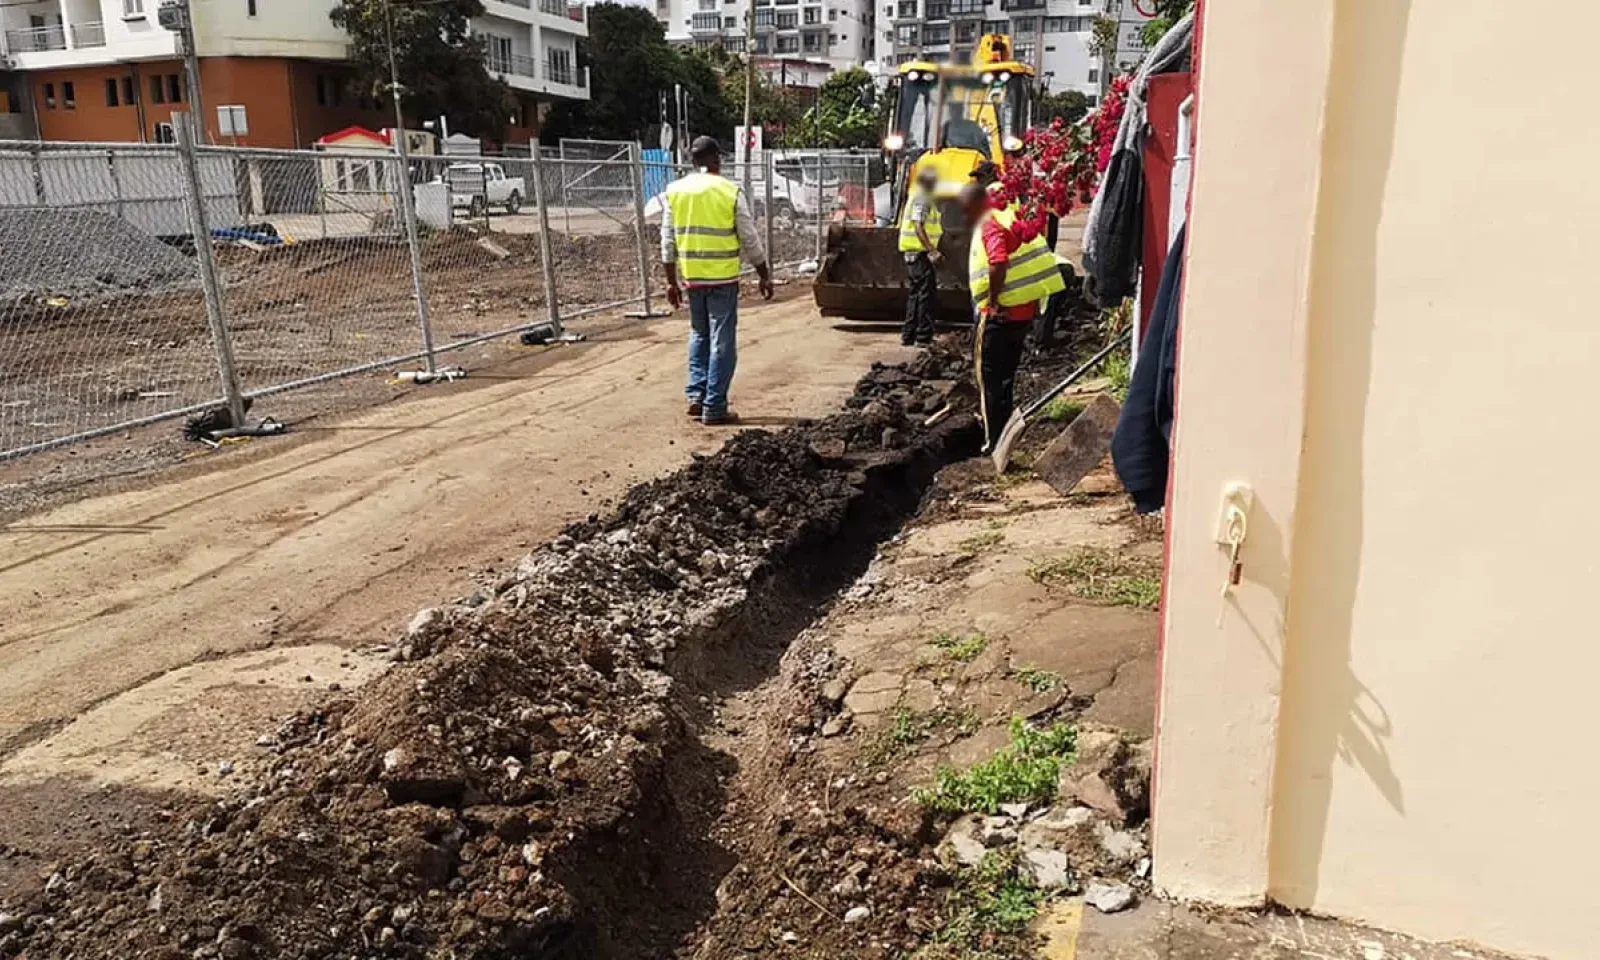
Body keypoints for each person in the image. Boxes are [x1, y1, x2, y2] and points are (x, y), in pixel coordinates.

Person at [661, 136, 773, 426]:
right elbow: (749, 237)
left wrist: (671, 282)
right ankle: (715, 405)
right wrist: (764, 274)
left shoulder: (675, 191)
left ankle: (696, 397)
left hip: (692, 278)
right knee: (722, 340)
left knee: (699, 335)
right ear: (715, 159)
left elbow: (667, 241)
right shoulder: (729, 190)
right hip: (723, 279)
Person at [961, 182, 1066, 452]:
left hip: (1000, 314)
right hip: (1023, 311)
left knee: (990, 380)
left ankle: (993, 441)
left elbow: (998, 261)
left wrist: (993, 301)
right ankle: (1005, 433)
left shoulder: (989, 223)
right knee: (1006, 377)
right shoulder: (1012, 216)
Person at [898, 166, 944, 346]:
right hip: (919, 254)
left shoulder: (917, 196)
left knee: (915, 295)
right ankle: (923, 336)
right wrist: (932, 250)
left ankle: (909, 334)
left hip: (914, 253)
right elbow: (918, 226)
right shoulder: (923, 198)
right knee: (925, 295)